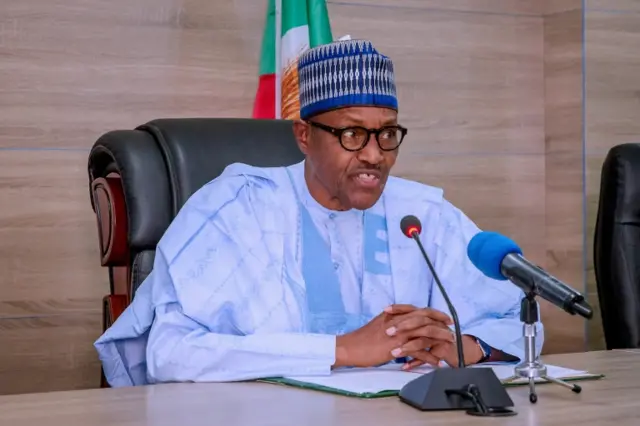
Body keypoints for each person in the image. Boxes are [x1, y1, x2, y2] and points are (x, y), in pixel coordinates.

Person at [95, 39, 544, 387]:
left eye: (387, 134)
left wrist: (464, 347)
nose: (375, 155)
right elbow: (170, 353)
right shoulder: (237, 207)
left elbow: (521, 324)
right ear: (305, 136)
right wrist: (342, 350)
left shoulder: (422, 214)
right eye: (352, 134)